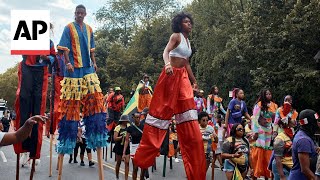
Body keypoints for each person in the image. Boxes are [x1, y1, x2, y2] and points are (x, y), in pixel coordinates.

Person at [132, 12, 206, 179]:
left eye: (190, 22)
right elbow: (166, 52)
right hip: (170, 76)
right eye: (185, 22)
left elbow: (186, 62)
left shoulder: (188, 41)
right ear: (180, 24)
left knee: (189, 117)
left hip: (183, 79)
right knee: (159, 117)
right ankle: (142, 161)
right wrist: (167, 65)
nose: (189, 24)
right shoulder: (176, 36)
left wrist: (194, 82)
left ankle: (195, 171)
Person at [56, 4, 107, 179]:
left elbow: (92, 48)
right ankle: (65, 146)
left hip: (88, 69)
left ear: (85, 14)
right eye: (77, 13)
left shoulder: (89, 29)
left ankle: (97, 139)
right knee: (70, 107)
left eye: (81, 13)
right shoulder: (68, 28)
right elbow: (63, 49)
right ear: (75, 14)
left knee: (96, 103)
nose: (79, 15)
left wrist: (94, 62)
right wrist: (68, 63)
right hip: (73, 70)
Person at [13, 23, 56, 164]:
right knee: (24, 106)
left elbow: (53, 58)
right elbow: (21, 50)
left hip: (40, 73)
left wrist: (46, 58)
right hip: (27, 70)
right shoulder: (28, 38)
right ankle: (23, 146)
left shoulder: (49, 43)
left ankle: (33, 150)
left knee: (37, 111)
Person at [251, 89, 278, 179]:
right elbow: (255, 118)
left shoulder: (274, 106)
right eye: (267, 94)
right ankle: (255, 173)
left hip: (270, 131)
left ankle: (268, 174)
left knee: (268, 153)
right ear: (263, 95)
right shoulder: (259, 105)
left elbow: (276, 120)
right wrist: (255, 132)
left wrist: (275, 131)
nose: (269, 95)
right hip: (260, 131)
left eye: (270, 93)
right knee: (259, 152)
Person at [288, 109, 319, 180]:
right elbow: (305, 169)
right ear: (311, 123)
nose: (318, 124)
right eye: (316, 121)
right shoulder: (303, 140)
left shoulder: (303, 135)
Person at [271, 115, 296, 180]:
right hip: (282, 168)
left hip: (290, 166)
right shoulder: (280, 138)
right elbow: (277, 158)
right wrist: (281, 176)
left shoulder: (292, 136)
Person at [123, 113, 144, 180]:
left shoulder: (143, 126)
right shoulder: (130, 128)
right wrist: (124, 153)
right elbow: (126, 140)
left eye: (139, 117)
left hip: (142, 147)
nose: (138, 119)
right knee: (135, 168)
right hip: (134, 147)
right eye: (136, 117)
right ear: (133, 118)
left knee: (143, 168)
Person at [199, 112, 218, 180]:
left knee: (204, 172)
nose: (205, 122)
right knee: (198, 171)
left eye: (207, 120)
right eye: (203, 120)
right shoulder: (196, 128)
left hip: (208, 152)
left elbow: (216, 141)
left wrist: (215, 137)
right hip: (198, 153)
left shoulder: (211, 128)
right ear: (199, 121)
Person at [113, 115, 130, 180]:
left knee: (127, 163)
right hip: (119, 147)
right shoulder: (118, 127)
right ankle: (117, 176)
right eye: (126, 120)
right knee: (119, 162)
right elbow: (115, 138)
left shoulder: (128, 127)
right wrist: (122, 137)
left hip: (126, 146)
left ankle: (126, 178)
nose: (127, 122)